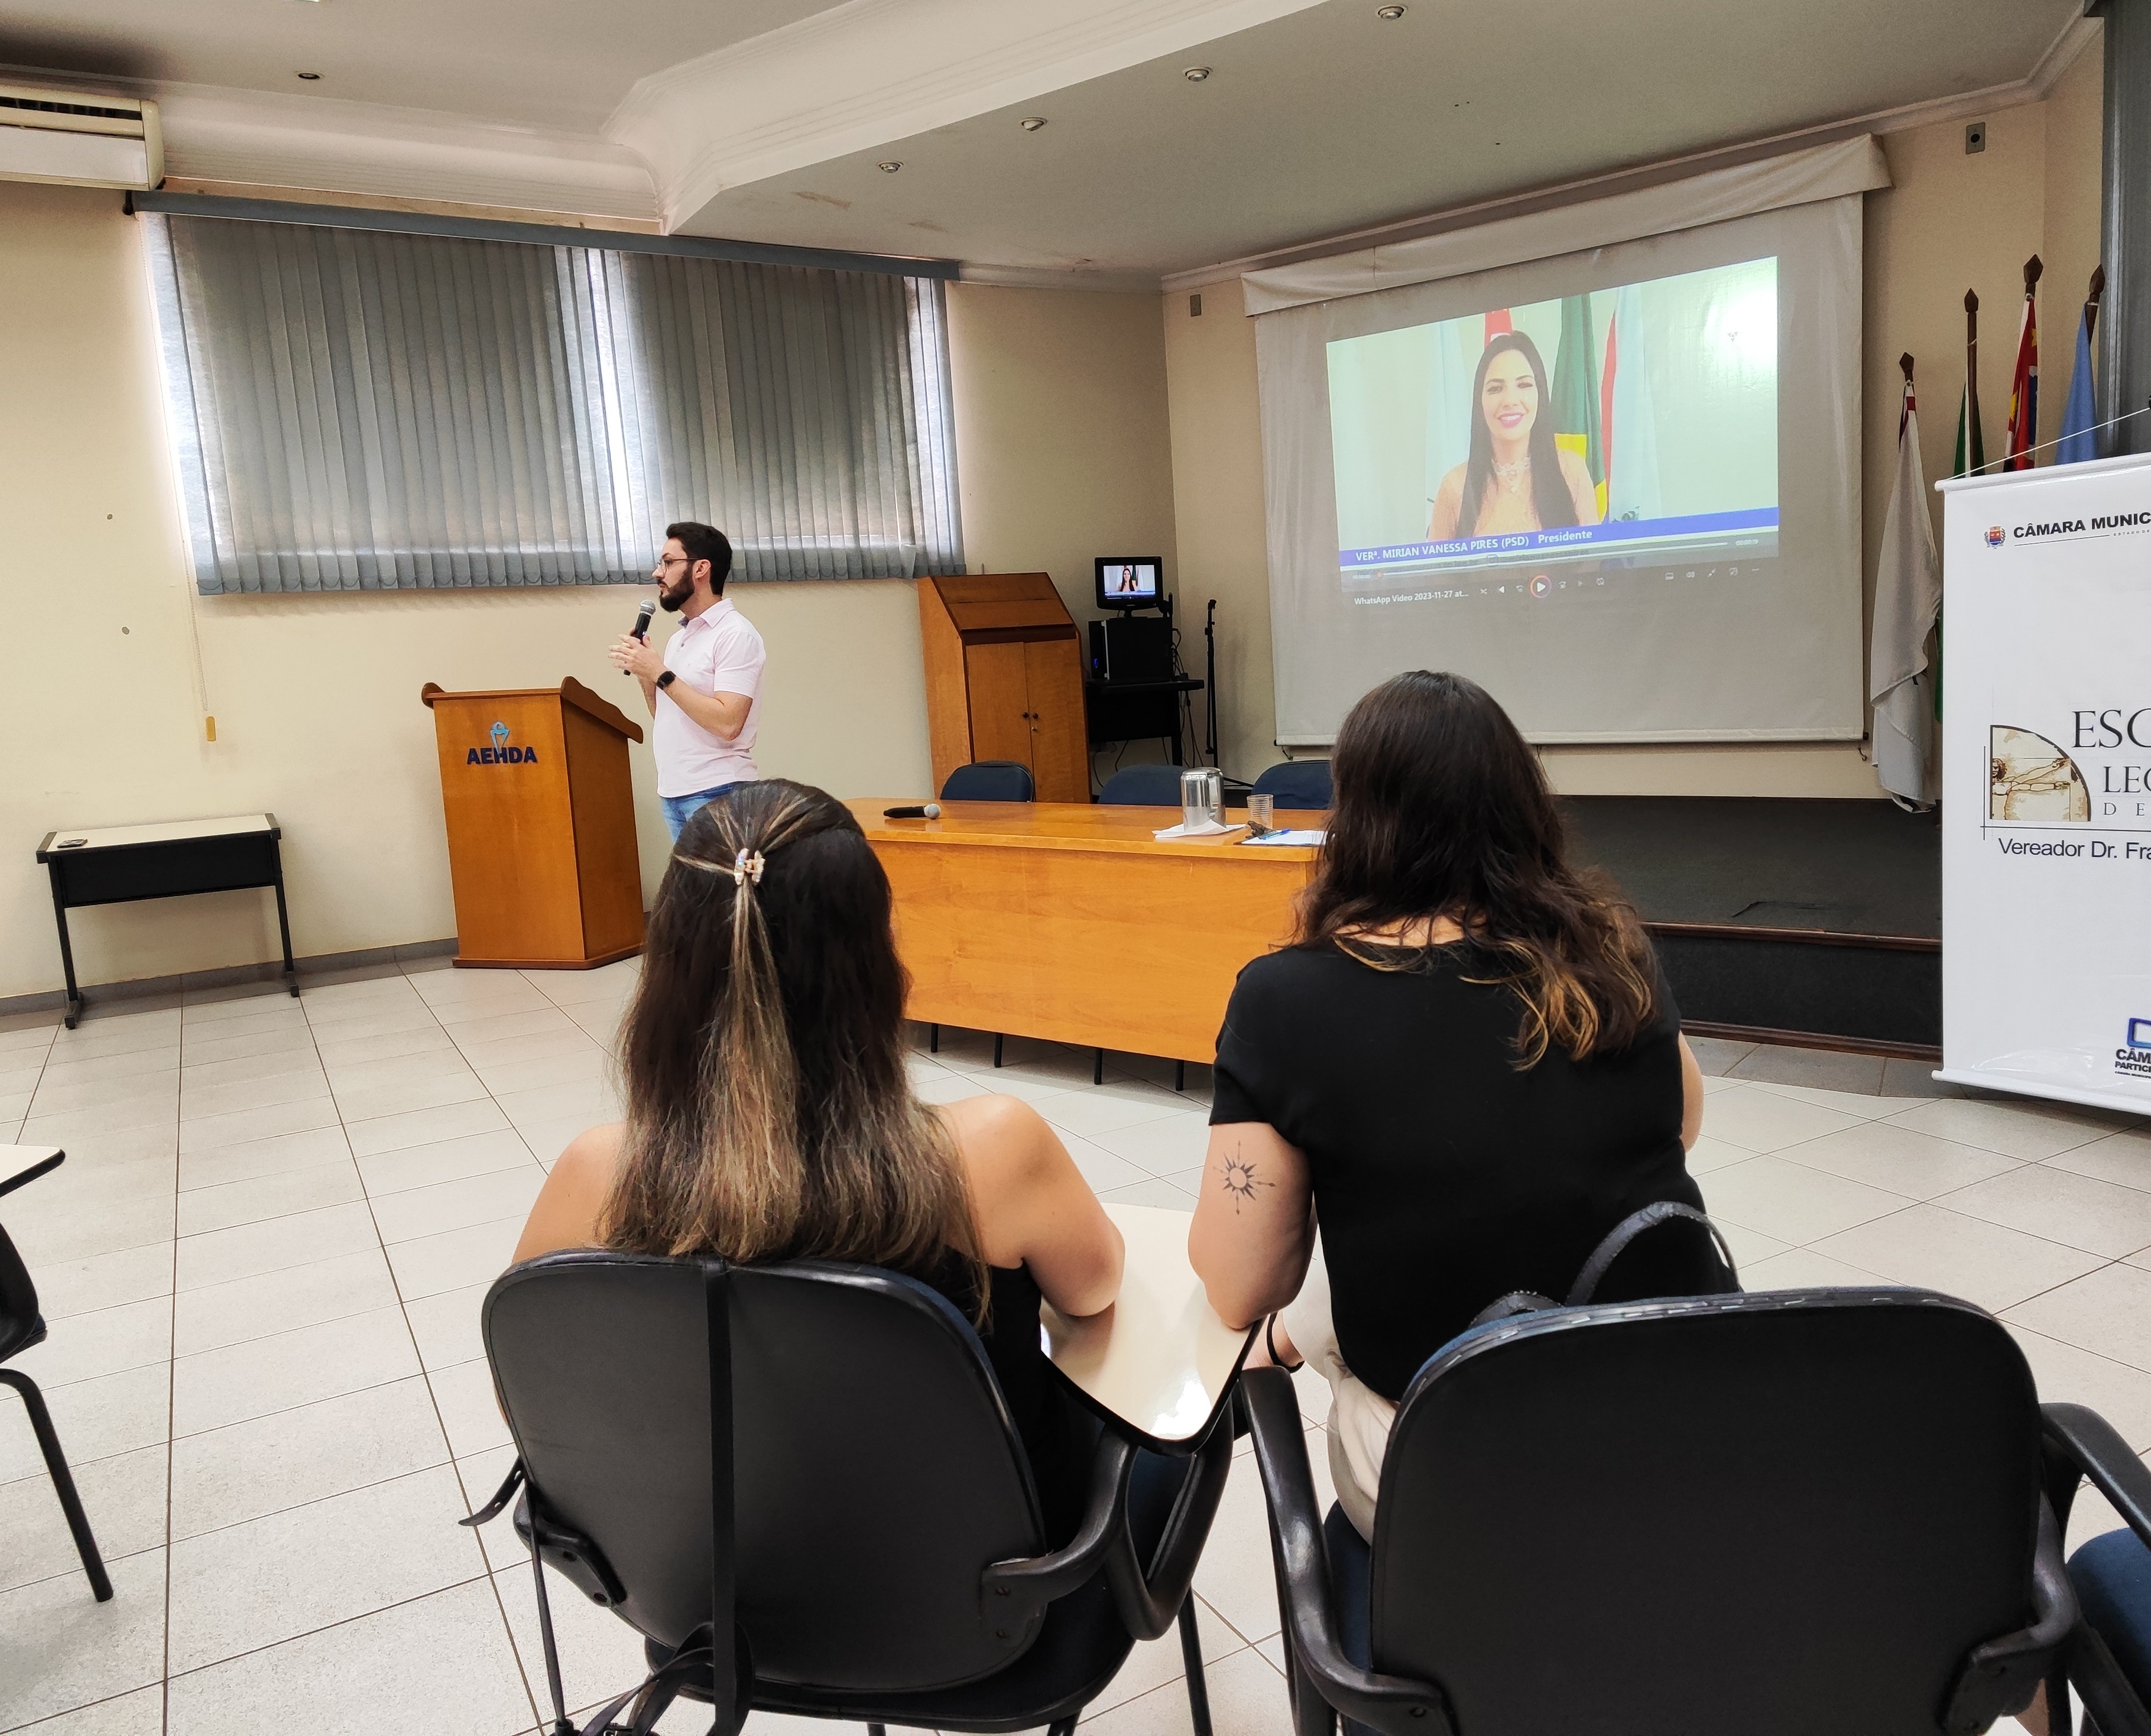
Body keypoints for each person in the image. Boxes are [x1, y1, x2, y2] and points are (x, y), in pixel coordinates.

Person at [512, 780, 1127, 1539]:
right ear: (874, 962)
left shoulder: (598, 1174)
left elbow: (533, 1388)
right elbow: (1096, 1292)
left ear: (668, 969)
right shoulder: (990, 1151)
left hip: (712, 1613)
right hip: (989, 1615)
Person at [1186, 669, 1706, 1539]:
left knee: (1330, 1313)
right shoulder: (1611, 956)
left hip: (1463, 1493)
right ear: (1520, 807)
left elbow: (1241, 1287)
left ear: (1357, 822)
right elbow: (1677, 1125)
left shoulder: (1287, 1001)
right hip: (1674, 1441)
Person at [610, 522, 767, 839]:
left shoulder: (735, 634)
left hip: (719, 792)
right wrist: (646, 674)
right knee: (695, 891)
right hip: (675, 791)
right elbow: (669, 718)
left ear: (701, 569)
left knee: (725, 890)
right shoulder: (681, 638)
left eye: (668, 562)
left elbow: (728, 724)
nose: (658, 573)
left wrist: (660, 673)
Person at [1425, 331, 1599, 541]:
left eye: (1524, 385)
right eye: (1496, 388)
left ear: (1540, 395)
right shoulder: (1454, 487)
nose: (1510, 400)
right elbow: (1438, 575)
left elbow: (1591, 567)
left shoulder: (1573, 472)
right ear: (1479, 402)